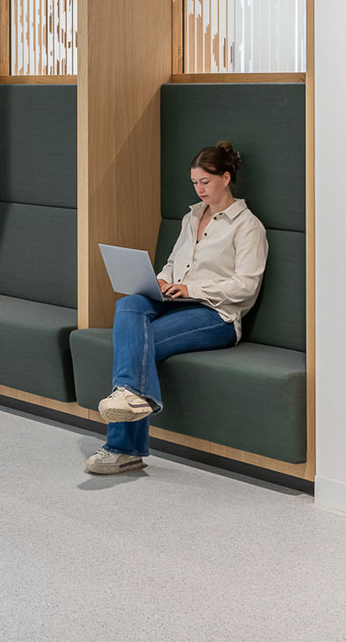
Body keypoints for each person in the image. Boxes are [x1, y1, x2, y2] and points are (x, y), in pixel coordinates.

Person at [85, 141, 268, 476]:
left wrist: (191, 288)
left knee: (141, 341)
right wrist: (159, 283)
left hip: (217, 315)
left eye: (205, 182)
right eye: (194, 183)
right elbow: (173, 264)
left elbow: (246, 286)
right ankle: (130, 396)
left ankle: (122, 448)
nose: (199, 190)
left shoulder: (247, 226)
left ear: (226, 178)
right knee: (130, 302)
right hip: (176, 302)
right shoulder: (191, 217)